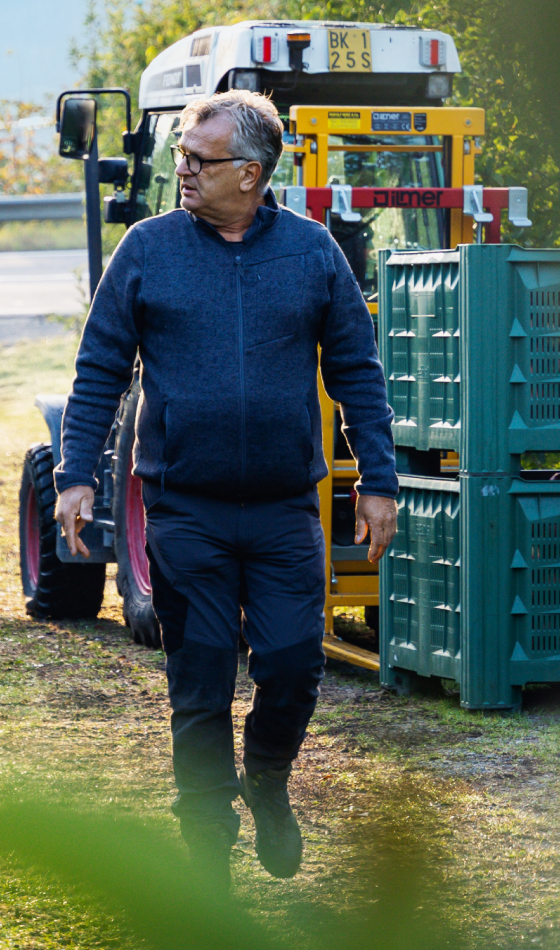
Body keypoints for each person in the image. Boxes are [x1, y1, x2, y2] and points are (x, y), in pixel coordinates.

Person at [53, 89, 399, 887]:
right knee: (200, 680)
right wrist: (75, 476)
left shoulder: (312, 255)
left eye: (198, 161)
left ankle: (269, 777)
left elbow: (357, 373)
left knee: (290, 665)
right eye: (179, 157)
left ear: (251, 173)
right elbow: (99, 369)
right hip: (186, 508)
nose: (182, 172)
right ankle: (207, 847)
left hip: (282, 509)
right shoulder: (147, 250)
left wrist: (376, 480)